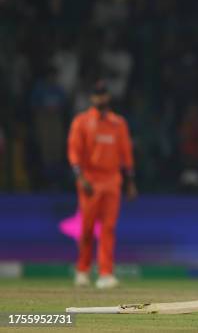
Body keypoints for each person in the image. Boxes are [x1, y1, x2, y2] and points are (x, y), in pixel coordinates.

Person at [67, 80, 138, 289]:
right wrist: (80, 177)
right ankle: (83, 270)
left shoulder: (118, 123)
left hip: (112, 181)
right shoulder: (81, 122)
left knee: (108, 228)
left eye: (104, 94)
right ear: (92, 98)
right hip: (89, 180)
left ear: (108, 97)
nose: (101, 98)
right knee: (87, 228)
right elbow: (74, 151)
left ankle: (106, 273)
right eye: (97, 94)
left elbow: (126, 154)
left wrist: (130, 182)